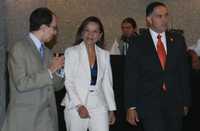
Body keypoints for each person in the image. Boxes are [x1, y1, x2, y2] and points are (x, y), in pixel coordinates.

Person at [124, 2, 190, 131]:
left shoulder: (178, 40)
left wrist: (186, 101)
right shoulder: (137, 42)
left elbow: (183, 73)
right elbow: (131, 76)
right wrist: (130, 107)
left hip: (174, 103)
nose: (164, 20)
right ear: (149, 19)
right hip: (149, 104)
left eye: (166, 15)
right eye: (159, 16)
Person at [1, 7, 64, 131]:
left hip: (46, 121)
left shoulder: (47, 52)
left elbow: (56, 87)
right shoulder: (19, 48)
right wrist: (50, 71)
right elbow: (21, 83)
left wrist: (60, 70)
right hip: (25, 121)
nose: (55, 32)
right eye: (54, 28)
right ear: (43, 28)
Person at [61, 16, 116, 131]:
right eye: (87, 30)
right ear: (81, 33)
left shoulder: (105, 55)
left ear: (100, 35)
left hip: (99, 105)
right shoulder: (71, 52)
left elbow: (107, 84)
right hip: (76, 104)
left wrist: (111, 109)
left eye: (95, 31)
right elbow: (69, 82)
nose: (90, 34)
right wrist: (79, 105)